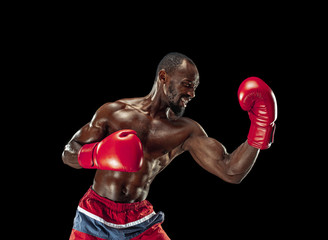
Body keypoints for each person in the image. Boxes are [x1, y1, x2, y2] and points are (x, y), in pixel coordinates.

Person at [62, 52, 277, 240]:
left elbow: (230, 171)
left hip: (138, 222)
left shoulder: (185, 131)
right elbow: (68, 151)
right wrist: (96, 154)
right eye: (187, 84)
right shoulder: (113, 112)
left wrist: (260, 129)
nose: (192, 94)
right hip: (94, 216)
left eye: (195, 88)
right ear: (163, 77)